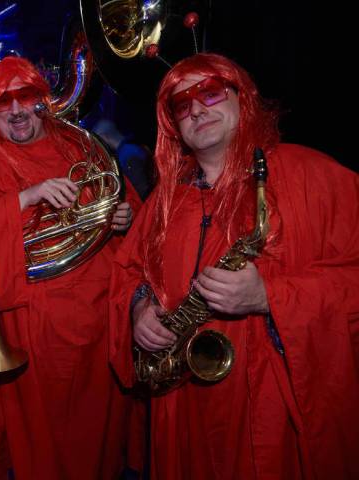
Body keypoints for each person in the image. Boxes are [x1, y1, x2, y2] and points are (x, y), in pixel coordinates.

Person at [109, 52, 359, 479]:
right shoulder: (163, 204)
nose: (196, 110)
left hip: (273, 410)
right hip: (183, 408)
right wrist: (139, 309)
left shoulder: (317, 177)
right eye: (181, 104)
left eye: (208, 92)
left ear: (243, 99)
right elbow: (129, 270)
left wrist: (270, 296)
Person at [0, 56, 143, 479]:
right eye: (4, 103)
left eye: (26, 98)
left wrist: (122, 218)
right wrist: (26, 197)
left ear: (44, 101)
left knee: (97, 430)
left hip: (97, 318)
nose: (17, 111)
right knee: (41, 438)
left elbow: (123, 202)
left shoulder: (80, 146)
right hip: (29, 323)